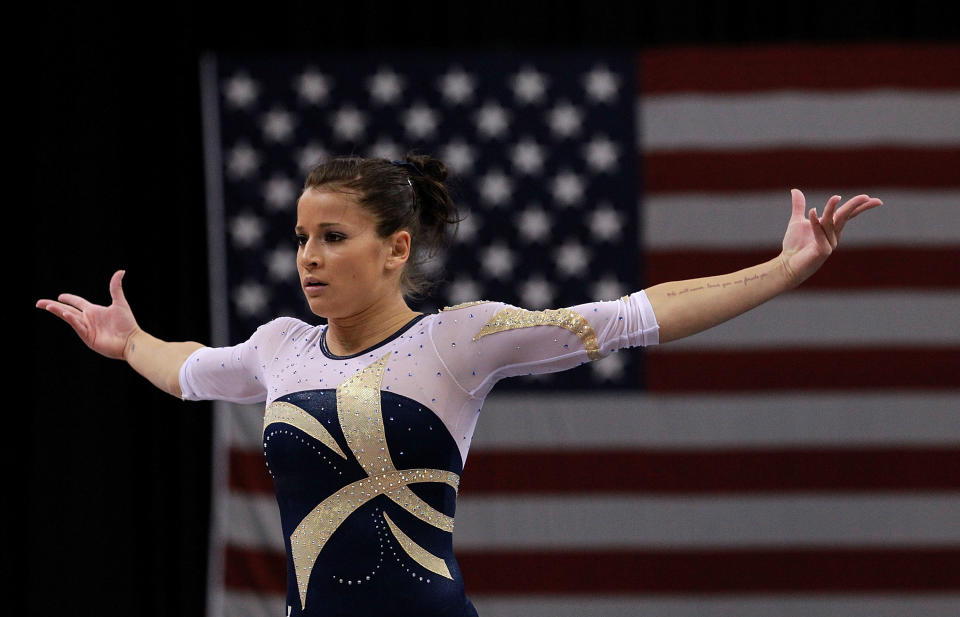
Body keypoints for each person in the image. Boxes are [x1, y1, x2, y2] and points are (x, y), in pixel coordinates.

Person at [36, 154, 882, 617]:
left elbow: (633, 314)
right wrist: (128, 340)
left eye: (334, 236)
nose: (308, 256)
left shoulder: (456, 341)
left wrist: (784, 268)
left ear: (396, 248)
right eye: (301, 236)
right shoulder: (278, 347)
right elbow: (186, 370)